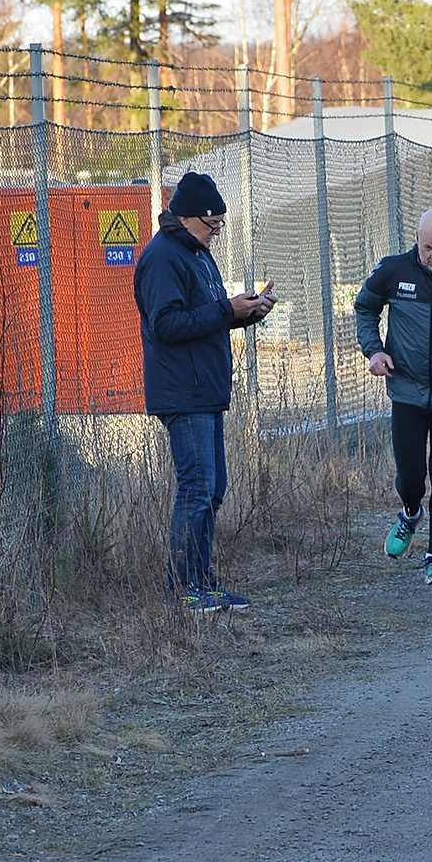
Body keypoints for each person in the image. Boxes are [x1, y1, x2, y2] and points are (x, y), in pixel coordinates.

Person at [134, 171, 275, 611]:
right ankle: (183, 589)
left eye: (219, 226)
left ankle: (203, 582)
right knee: (197, 489)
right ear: (190, 217)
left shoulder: (197, 253)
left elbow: (209, 316)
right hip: (183, 392)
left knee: (213, 490)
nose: (216, 233)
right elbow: (167, 324)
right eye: (212, 225)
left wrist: (248, 311)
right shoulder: (163, 258)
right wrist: (224, 308)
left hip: (205, 390)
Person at [354, 208, 432, 585]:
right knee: (411, 478)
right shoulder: (394, 270)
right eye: (428, 247)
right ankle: (410, 512)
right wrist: (374, 350)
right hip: (407, 391)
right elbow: (364, 308)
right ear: (417, 241)